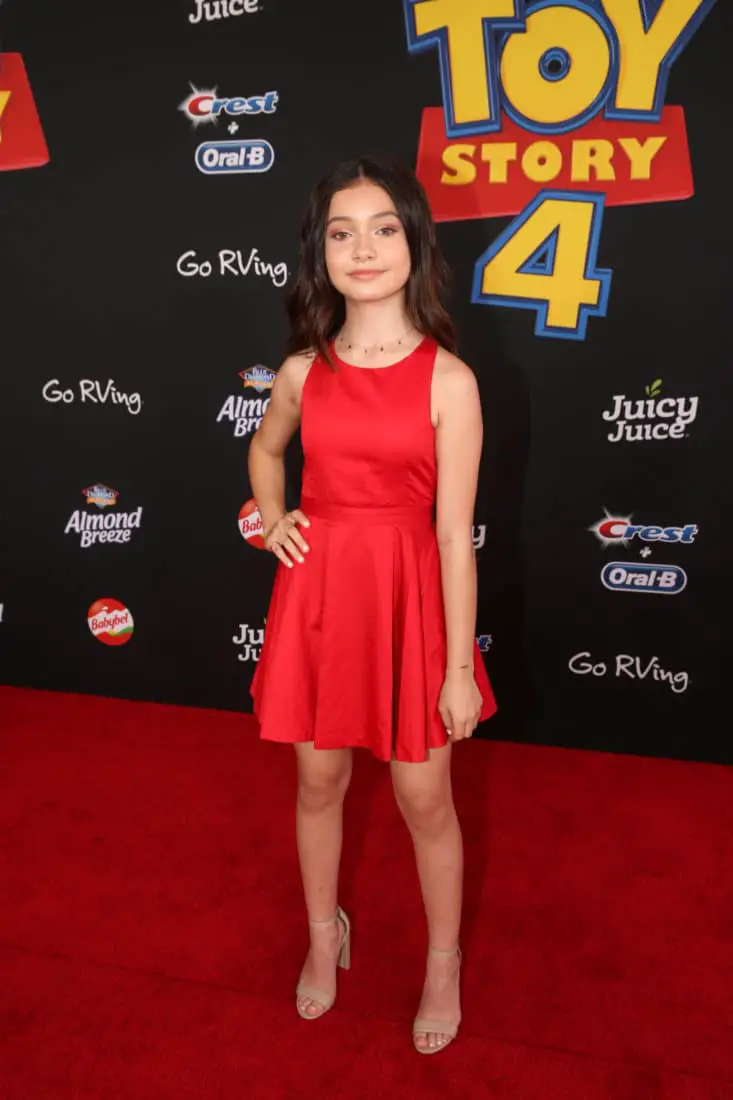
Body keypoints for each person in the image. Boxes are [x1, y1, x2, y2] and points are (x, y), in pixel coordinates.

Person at [248, 155, 497, 1055]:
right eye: (341, 233)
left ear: (414, 243)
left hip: (408, 602)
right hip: (318, 600)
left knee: (424, 799)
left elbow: (453, 537)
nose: (362, 248)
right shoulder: (299, 371)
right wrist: (274, 519)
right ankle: (325, 935)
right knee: (317, 783)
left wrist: (458, 669)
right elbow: (264, 450)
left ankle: (442, 961)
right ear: (319, 253)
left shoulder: (449, 381)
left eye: (383, 228)